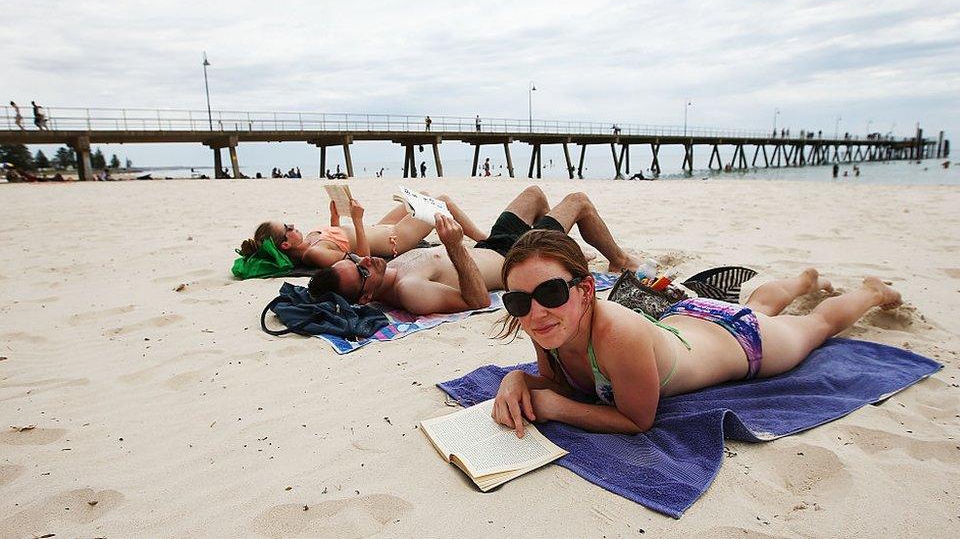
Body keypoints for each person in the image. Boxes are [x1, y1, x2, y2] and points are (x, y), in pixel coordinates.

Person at [490, 230, 903, 436]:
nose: (536, 310)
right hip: (687, 317)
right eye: (518, 301)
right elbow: (556, 382)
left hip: (743, 342)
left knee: (816, 326)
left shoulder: (616, 332)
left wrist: (554, 409)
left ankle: (871, 291)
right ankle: (801, 282)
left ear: (583, 290)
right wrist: (516, 378)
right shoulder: (543, 321)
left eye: (550, 291)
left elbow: (637, 420)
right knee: (756, 306)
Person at [308, 186, 639, 315]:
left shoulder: (387, 270)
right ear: (366, 297)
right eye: (362, 270)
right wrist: (454, 247)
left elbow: (368, 252)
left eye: (354, 259)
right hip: (517, 255)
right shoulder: (410, 291)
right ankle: (620, 260)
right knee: (578, 202)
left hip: (490, 245)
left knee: (535, 195)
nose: (365, 259)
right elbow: (478, 301)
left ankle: (564, 252)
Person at [241, 192, 487, 269]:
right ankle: (484, 239)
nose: (292, 225)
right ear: (285, 244)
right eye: (287, 228)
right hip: (394, 240)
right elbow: (360, 260)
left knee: (419, 197)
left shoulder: (308, 242)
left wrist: (335, 217)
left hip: (380, 228)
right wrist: (357, 222)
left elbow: (338, 240)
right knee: (441, 202)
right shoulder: (313, 255)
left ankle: (481, 236)